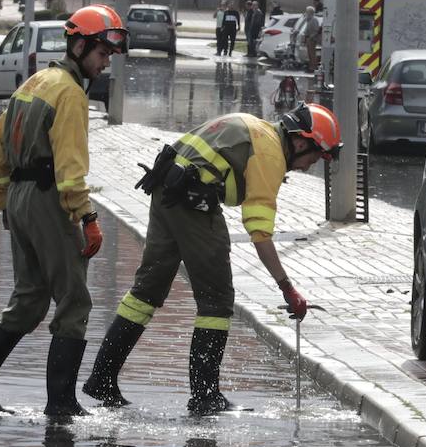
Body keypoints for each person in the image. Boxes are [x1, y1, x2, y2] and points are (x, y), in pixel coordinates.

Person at [83, 102, 341, 414]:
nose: (308, 165)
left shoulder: (252, 126)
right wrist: (287, 287)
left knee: (147, 291)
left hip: (167, 191)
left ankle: (102, 377)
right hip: (193, 202)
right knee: (216, 299)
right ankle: (205, 396)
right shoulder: (270, 154)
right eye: (315, 156)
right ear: (301, 142)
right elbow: (260, 233)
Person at [0, 4, 129, 419]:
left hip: (19, 197)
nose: (106, 64)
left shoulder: (33, 83)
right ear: (82, 45)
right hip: (51, 201)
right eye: (103, 54)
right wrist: (86, 218)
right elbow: (71, 170)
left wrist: (10, 207)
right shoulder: (69, 93)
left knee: (29, 300)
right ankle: (62, 405)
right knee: (73, 302)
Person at [299, 6, 322, 72]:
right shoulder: (309, 20)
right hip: (308, 38)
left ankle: (314, 67)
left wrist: (310, 37)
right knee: (309, 53)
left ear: (310, 12)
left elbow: (316, 30)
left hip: (312, 39)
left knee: (312, 54)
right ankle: (311, 66)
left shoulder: (314, 20)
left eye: (307, 11)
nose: (306, 13)